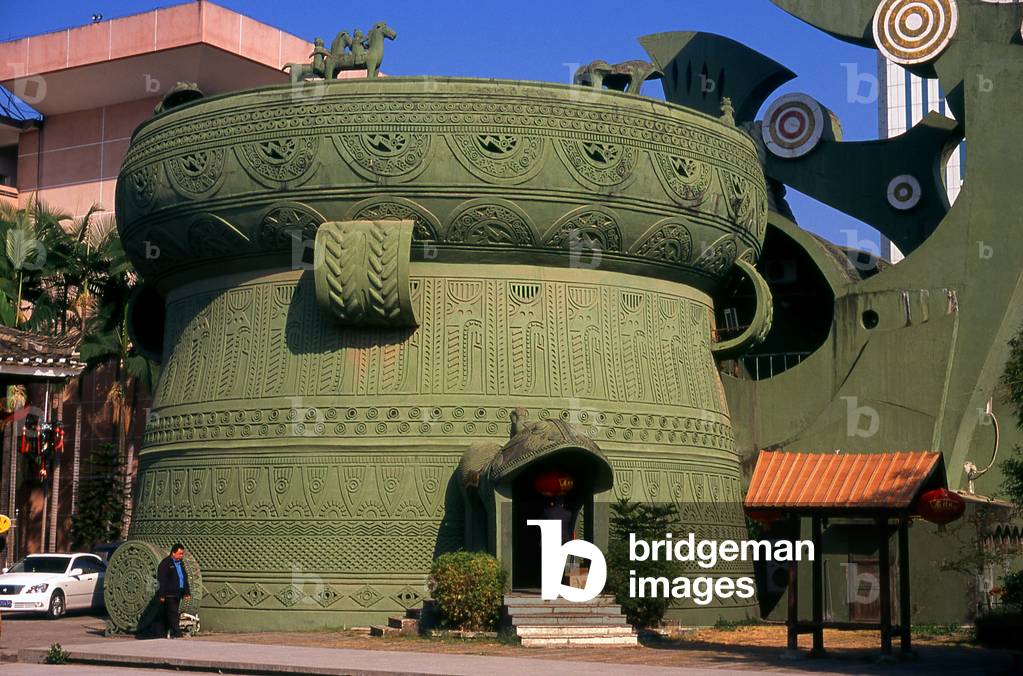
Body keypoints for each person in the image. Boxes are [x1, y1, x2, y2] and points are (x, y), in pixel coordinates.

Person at [157, 544, 191, 638]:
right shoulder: (166, 563)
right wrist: (162, 595)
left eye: (182, 554)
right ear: (173, 552)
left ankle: (166, 632)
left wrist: (186, 592)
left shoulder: (181, 563)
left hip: (178, 593)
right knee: (173, 614)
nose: (181, 556)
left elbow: (184, 578)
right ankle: (177, 633)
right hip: (169, 594)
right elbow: (162, 580)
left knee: (172, 613)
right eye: (180, 553)